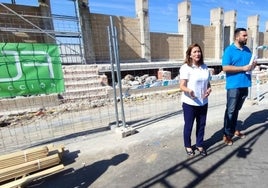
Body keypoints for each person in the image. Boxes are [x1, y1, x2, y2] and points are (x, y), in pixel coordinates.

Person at [222, 28, 257, 145]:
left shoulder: (247, 50)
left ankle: (233, 129)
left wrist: (253, 65)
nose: (246, 37)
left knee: (236, 110)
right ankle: (227, 134)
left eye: (246, 35)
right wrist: (242, 68)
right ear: (237, 37)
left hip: (245, 84)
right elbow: (225, 68)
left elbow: (249, 66)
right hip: (233, 86)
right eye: (244, 35)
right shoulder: (229, 50)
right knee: (230, 111)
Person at [179, 43, 212, 157]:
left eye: (199, 51)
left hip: (203, 102)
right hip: (190, 102)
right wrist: (189, 91)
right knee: (189, 125)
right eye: (194, 52)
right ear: (190, 54)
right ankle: (188, 146)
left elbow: (207, 82)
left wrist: (209, 89)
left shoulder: (204, 67)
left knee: (201, 124)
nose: (197, 53)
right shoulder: (185, 67)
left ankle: (199, 144)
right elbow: (182, 86)